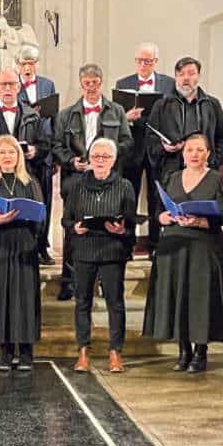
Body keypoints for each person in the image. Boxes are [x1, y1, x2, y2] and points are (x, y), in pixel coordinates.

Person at [144, 131, 223, 373]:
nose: (194, 154)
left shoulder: (218, 179)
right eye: (190, 150)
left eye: (199, 150)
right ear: (183, 154)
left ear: (208, 154)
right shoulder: (172, 177)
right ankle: (183, 350)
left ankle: (200, 352)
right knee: (178, 296)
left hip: (204, 247)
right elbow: (159, 212)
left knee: (200, 299)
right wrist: (163, 217)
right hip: (174, 245)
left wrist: (201, 222)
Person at [52, 64, 132, 304]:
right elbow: (56, 146)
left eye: (95, 82)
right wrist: (71, 162)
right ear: (81, 84)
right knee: (75, 229)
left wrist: (108, 157)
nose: (91, 87)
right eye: (86, 83)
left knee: (107, 227)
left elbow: (127, 142)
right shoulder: (66, 114)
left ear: (101, 82)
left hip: (108, 179)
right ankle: (70, 281)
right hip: (77, 178)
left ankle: (106, 281)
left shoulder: (116, 111)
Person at [62, 137, 136, 374]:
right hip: (84, 249)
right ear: (89, 160)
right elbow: (66, 219)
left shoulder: (124, 186)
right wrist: (75, 228)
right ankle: (83, 351)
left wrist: (122, 229)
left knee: (115, 302)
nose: (100, 161)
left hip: (112, 250)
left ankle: (115, 352)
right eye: (96, 157)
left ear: (114, 160)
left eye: (105, 157)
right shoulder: (77, 186)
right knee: (82, 301)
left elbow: (131, 222)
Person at [0, 134, 43, 371]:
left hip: (23, 245)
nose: (7, 157)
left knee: (22, 298)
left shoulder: (30, 182)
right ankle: (5, 350)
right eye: (2, 152)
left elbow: (40, 217)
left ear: (19, 156)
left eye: (11, 152)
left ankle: (25, 351)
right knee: (1, 296)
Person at [115, 42, 175, 253]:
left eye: (148, 61)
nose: (143, 64)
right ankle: (127, 242)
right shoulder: (123, 83)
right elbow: (116, 115)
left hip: (157, 147)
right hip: (132, 147)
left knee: (156, 195)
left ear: (155, 62)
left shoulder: (169, 84)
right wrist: (126, 117)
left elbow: (172, 114)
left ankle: (155, 243)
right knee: (129, 194)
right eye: (140, 60)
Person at [146, 57, 223, 188]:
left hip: (206, 173)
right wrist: (164, 148)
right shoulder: (161, 105)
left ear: (198, 76)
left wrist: (213, 162)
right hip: (171, 174)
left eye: (191, 73)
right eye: (181, 74)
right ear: (176, 77)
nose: (186, 78)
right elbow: (150, 139)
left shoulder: (212, 104)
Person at [16, 45, 58, 263]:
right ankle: (28, 244)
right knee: (25, 198)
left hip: (45, 150)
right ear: (18, 65)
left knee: (46, 200)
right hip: (21, 152)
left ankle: (43, 245)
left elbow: (55, 118)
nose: (27, 67)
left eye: (31, 63)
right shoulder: (12, 85)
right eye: (24, 63)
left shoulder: (47, 85)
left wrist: (56, 154)